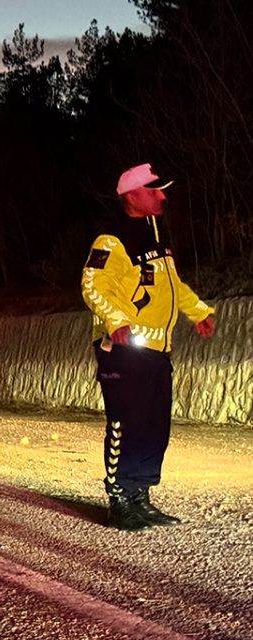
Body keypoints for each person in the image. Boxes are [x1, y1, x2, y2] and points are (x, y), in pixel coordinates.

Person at [81, 163, 216, 531]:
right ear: (131, 196)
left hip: (157, 349)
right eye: (154, 190)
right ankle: (119, 499)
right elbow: (93, 285)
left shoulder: (158, 239)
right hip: (123, 349)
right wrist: (116, 320)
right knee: (126, 423)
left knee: (155, 426)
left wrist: (198, 311)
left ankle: (139, 495)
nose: (162, 196)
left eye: (162, 190)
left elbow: (173, 286)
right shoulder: (112, 239)